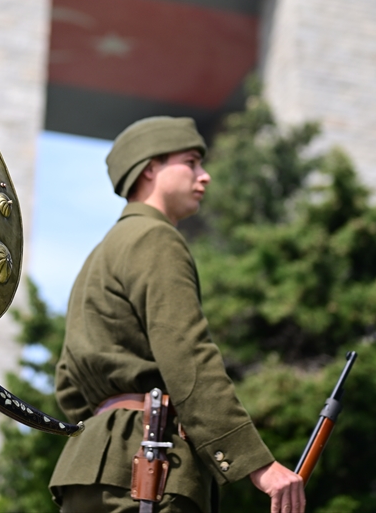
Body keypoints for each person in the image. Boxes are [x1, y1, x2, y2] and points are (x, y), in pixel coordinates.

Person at [49, 116, 306, 513]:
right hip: (148, 469)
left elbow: (67, 382)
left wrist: (109, 433)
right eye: (190, 162)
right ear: (150, 168)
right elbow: (187, 354)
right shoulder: (156, 238)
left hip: (87, 473)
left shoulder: (99, 255)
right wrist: (257, 465)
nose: (204, 176)